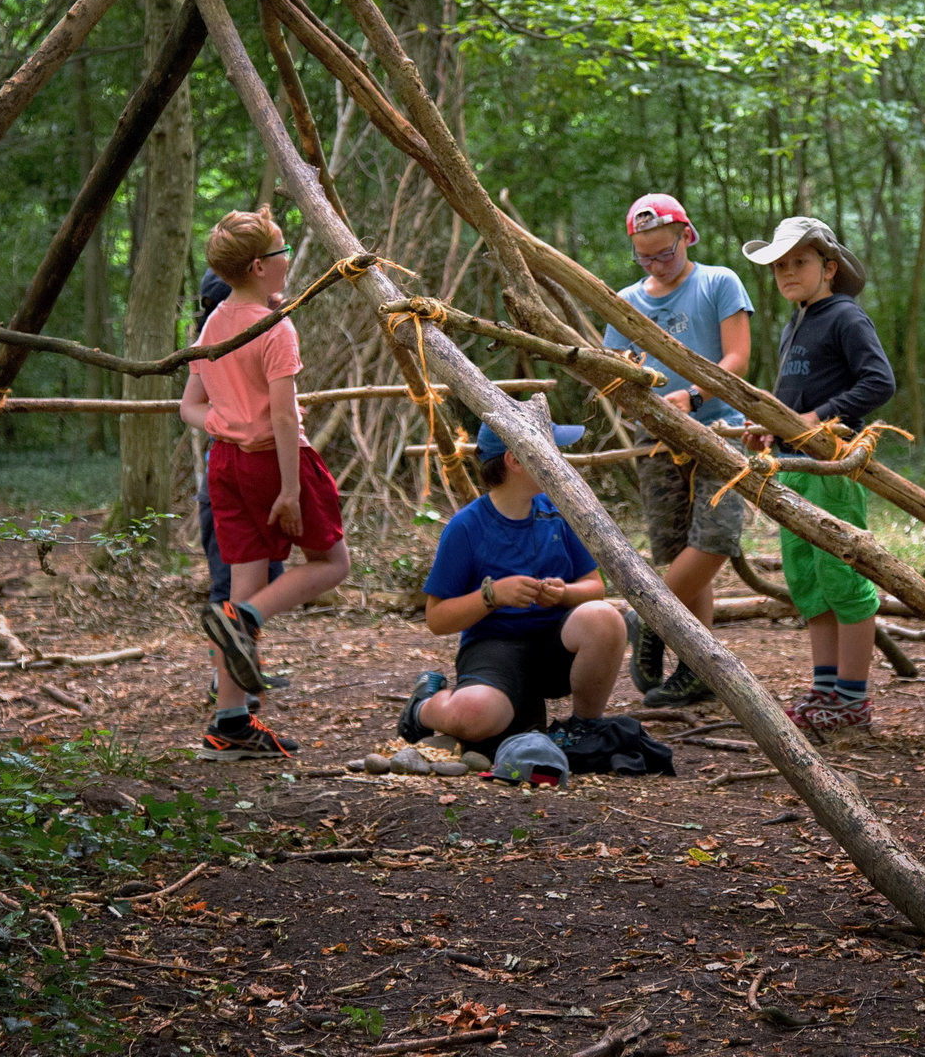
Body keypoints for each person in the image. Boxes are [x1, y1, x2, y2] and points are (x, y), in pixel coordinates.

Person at [180, 206, 351, 760]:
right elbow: (282, 418)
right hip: (273, 463)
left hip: (224, 465)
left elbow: (190, 406)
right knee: (332, 564)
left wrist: (227, 426)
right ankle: (244, 620)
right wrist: (290, 490)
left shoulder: (214, 324)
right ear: (259, 266)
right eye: (282, 252)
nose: (289, 259)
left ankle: (228, 724)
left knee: (243, 581)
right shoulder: (275, 327)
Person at [742, 217, 894, 735]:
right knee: (808, 582)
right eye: (780, 265)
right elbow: (793, 400)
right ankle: (825, 688)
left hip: (832, 465)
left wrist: (820, 419)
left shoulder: (846, 317)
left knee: (843, 577)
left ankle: (853, 699)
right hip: (793, 468)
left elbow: (879, 380)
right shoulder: (794, 324)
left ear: (829, 267)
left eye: (798, 262)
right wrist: (772, 429)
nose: (787, 272)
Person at [600, 194, 754, 707]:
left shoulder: (718, 282)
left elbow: (737, 357)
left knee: (714, 538)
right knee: (676, 550)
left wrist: (696, 395)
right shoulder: (626, 301)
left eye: (664, 253)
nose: (656, 265)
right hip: (657, 442)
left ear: (687, 237)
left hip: (721, 433)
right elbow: (615, 370)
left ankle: (646, 615)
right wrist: (636, 401)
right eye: (645, 258)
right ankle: (698, 668)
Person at [400, 415, 627, 754]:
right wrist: (491, 596)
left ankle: (584, 727)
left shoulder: (559, 512)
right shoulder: (466, 527)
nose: (558, 459)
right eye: (549, 451)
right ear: (515, 461)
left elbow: (595, 588)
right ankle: (424, 707)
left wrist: (564, 594)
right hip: (494, 649)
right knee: (473, 717)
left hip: (555, 646)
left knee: (604, 617)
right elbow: (437, 619)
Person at [194, 265, 284, 714]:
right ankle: (227, 681)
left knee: (266, 579)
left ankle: (241, 670)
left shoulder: (264, 331)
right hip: (229, 478)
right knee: (230, 585)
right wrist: (236, 426)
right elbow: (197, 407)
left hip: (258, 477)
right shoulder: (214, 342)